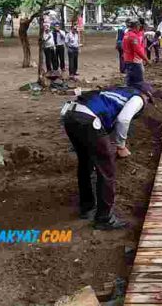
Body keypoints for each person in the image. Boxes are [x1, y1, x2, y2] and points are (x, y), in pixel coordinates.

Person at [61, 82, 155, 230]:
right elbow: (123, 119)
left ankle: (87, 208)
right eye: (148, 100)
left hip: (70, 114)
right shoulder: (138, 98)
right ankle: (104, 218)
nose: (146, 104)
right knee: (107, 168)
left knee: (85, 162)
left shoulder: (117, 91)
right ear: (146, 95)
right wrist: (120, 145)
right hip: (87, 119)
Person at [122, 18, 149, 87]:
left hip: (127, 60)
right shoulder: (133, 36)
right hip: (134, 61)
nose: (139, 27)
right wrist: (146, 59)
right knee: (139, 81)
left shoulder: (126, 35)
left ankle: (127, 93)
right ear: (136, 26)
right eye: (139, 26)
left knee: (129, 80)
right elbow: (138, 50)